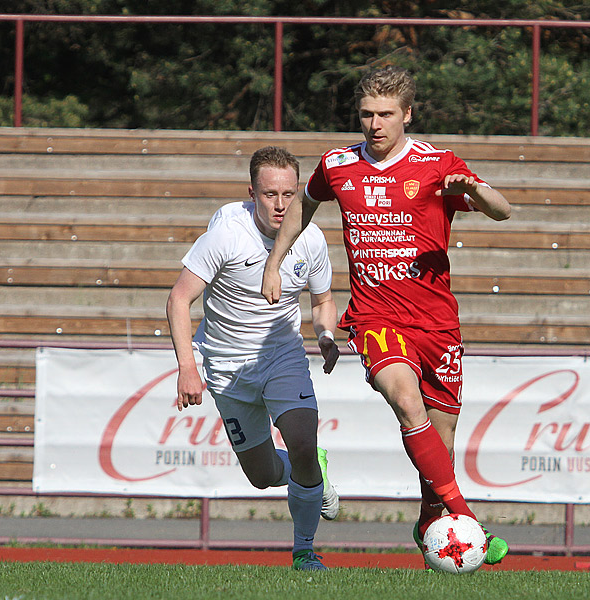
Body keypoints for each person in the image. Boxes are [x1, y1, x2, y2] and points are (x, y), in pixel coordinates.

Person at [261, 65, 511, 567]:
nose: (374, 124)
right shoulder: (338, 166)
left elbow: (502, 209)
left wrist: (476, 191)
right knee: (403, 397)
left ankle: (429, 520)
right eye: (367, 114)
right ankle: (467, 520)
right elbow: (303, 206)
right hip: (376, 318)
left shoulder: (438, 164)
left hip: (437, 324)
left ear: (407, 115)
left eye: (385, 115)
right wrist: (276, 259)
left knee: (438, 441)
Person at [166, 146, 341, 572]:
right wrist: (188, 368)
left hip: (282, 356)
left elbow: (323, 301)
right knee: (262, 475)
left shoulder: (311, 238)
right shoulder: (226, 235)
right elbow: (178, 299)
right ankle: (311, 473)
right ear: (252, 193)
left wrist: (327, 334)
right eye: (269, 194)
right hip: (227, 369)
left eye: (289, 194)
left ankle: (304, 551)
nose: (280, 205)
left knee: (302, 441)